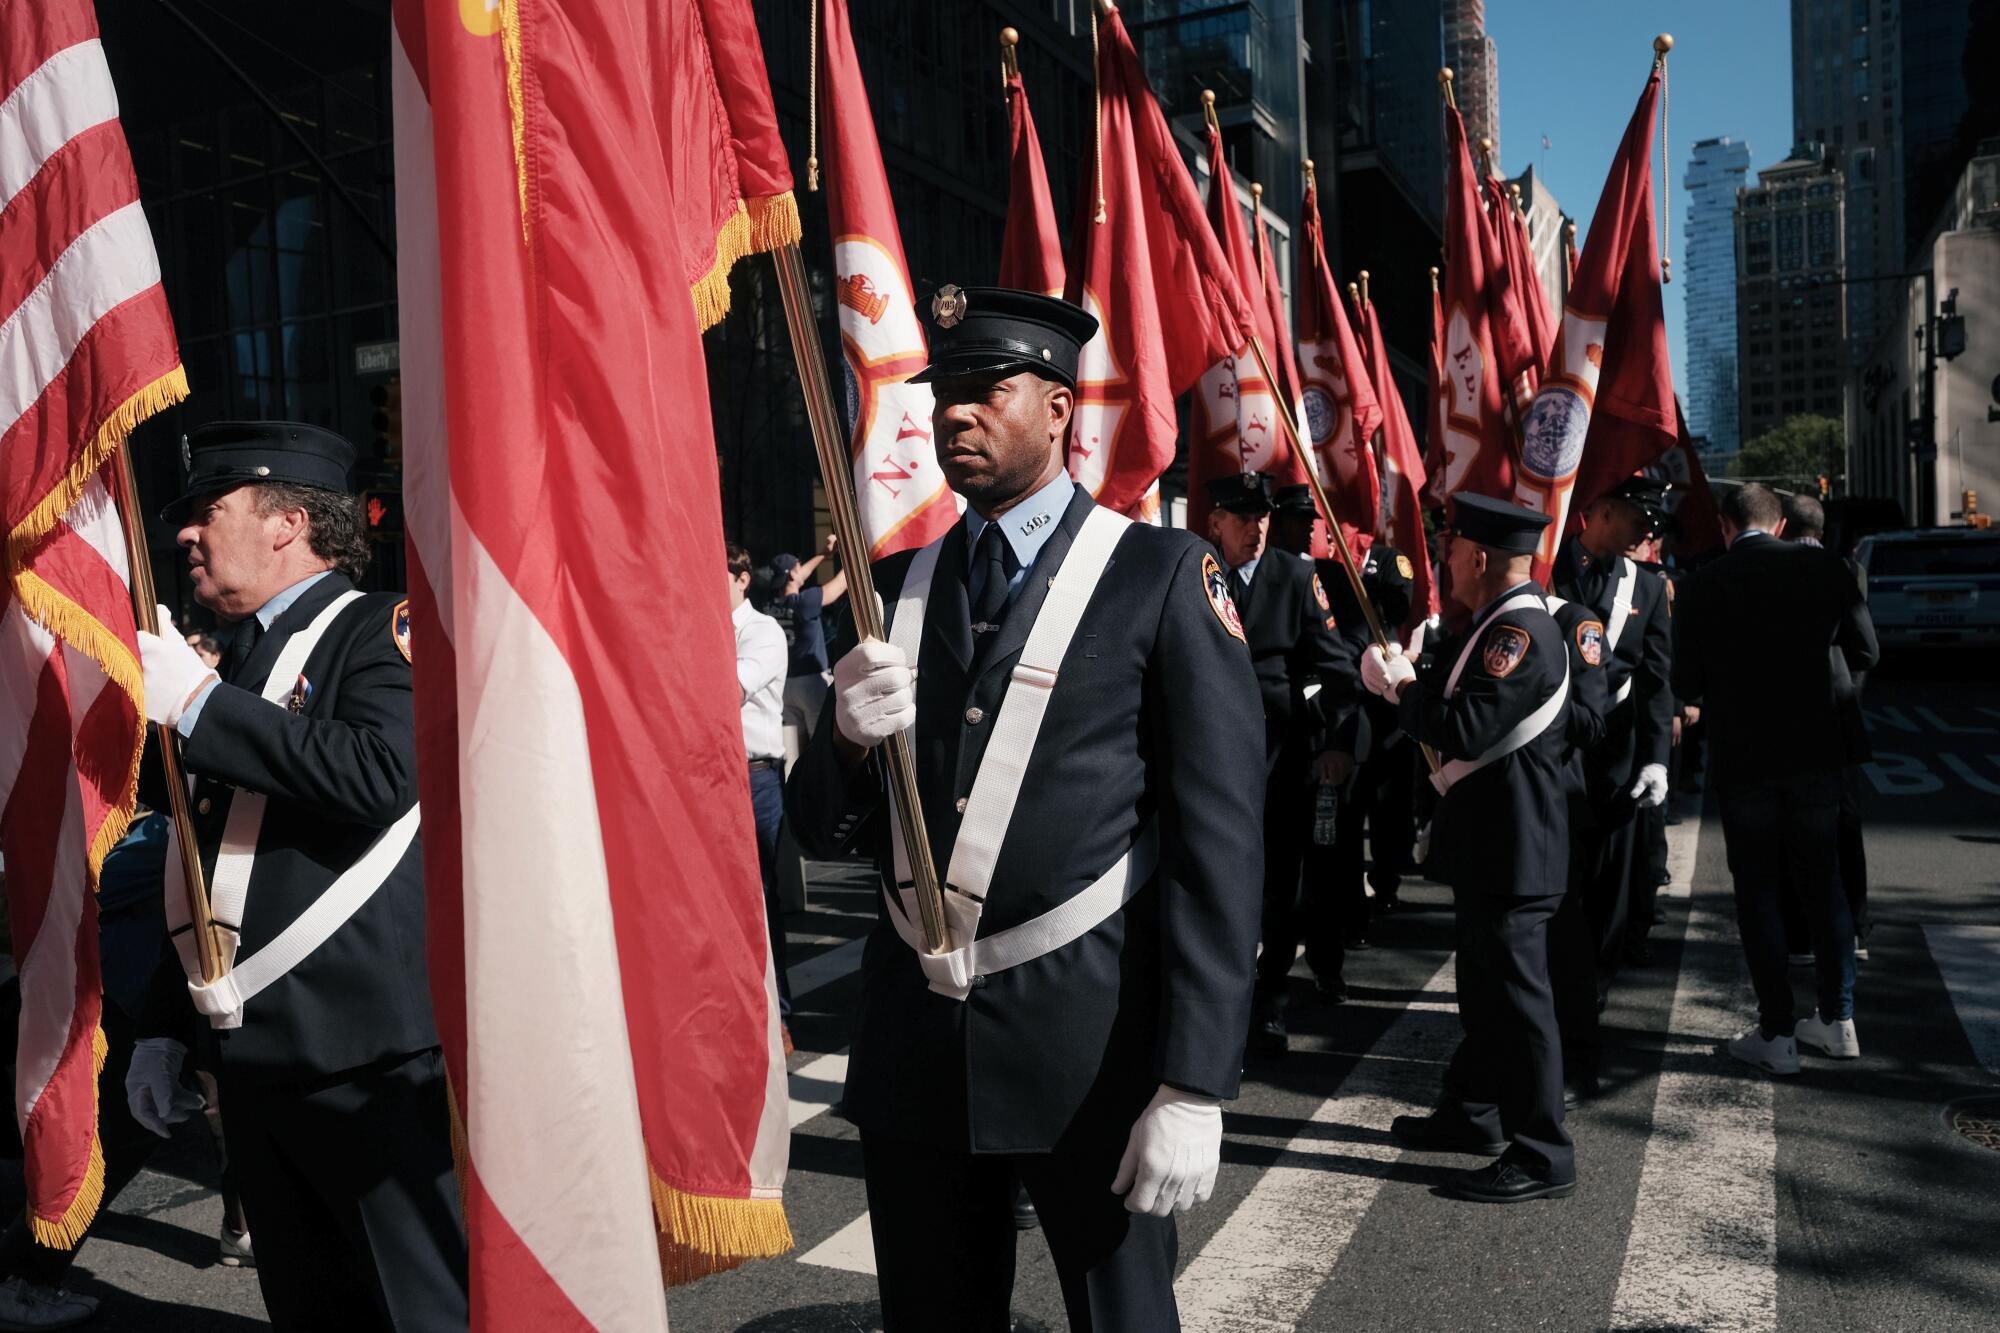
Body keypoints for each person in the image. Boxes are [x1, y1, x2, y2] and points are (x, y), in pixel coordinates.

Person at [786, 285, 1264, 1331]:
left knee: (1119, 1314)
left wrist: (1193, 1079)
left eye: (981, 390)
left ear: (1056, 409)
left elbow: (1217, 843)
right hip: (917, 1039)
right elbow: (819, 830)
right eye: (942, 392)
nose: (952, 412)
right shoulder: (894, 585)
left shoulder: (1160, 575)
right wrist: (843, 739)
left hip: (1090, 1048)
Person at [130, 420, 466, 1331]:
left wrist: (198, 702)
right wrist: (167, 1026)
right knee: (310, 1310)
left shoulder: (378, 627)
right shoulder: (234, 658)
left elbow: (377, 774)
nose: (186, 534)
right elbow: (209, 861)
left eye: (210, 509)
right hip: (250, 1053)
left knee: (415, 1309)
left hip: (361, 1053)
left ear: (287, 522)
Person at [1367, 493, 1576, 1204]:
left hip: (1516, 845)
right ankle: (1474, 1110)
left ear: (1480, 557)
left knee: (1518, 1005)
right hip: (1494, 842)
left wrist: (1401, 690)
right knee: (1485, 993)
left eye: (1451, 548)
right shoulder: (1499, 621)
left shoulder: (1516, 630)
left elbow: (1471, 726)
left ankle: (1543, 1151)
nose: (1445, 560)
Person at [1672, 483, 1879, 1075]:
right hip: (1817, 751)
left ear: (1725, 525)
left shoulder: (1703, 584)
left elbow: (1685, 681)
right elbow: (1865, 653)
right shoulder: (1828, 570)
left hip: (1747, 756)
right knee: (1824, 882)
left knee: (1759, 890)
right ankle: (1839, 1020)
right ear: (1782, 523)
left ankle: (1778, 1031)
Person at [1208, 474, 1358, 1053]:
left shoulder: (1296, 577)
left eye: (1263, 517)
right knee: (1215, 887)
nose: (1257, 528)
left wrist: (1333, 741)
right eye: (1242, 517)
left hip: (1280, 758)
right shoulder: (1196, 573)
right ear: (1215, 521)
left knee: (1279, 891)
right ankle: (1219, 1006)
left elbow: (1338, 671)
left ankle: (1268, 1004)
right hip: (1212, 760)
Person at [1548, 477, 1673, 1011]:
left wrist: (1656, 760)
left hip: (1616, 758)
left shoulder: (1646, 587)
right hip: (1552, 751)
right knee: (1555, 880)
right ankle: (1557, 983)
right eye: (1636, 517)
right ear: (1598, 511)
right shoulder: (1548, 568)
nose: (1647, 530)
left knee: (1609, 889)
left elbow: (1656, 681)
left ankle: (1592, 989)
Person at [1780, 493, 1872, 962]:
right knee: (1845, 822)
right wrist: (1845, 684)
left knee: (1793, 824)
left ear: (1782, 527)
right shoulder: (1846, 571)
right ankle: (1853, 927)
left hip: (1786, 718)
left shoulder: (1769, 571)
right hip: (1837, 711)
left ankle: (1800, 932)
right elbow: (1868, 649)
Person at [729, 541, 796, 1044]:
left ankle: (780, 1014)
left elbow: (727, 690)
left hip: (755, 779)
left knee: (763, 901)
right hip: (709, 775)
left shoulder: (762, 631)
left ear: (742, 578)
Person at [768, 533, 849, 753]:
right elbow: (841, 583)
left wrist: (824, 553)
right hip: (811, 682)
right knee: (820, 745)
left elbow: (797, 576)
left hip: (786, 684)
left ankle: (797, 786)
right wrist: (855, 552)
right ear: (793, 573)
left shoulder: (770, 606)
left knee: (796, 750)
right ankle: (822, 786)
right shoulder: (805, 602)